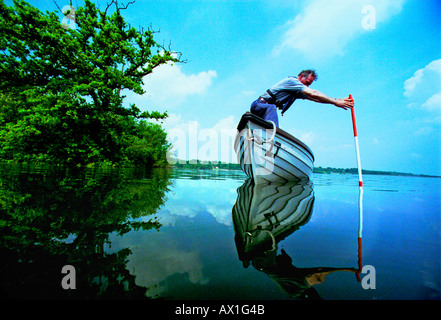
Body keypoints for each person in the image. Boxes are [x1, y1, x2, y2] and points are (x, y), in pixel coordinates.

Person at [250, 70, 354, 127]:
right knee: (271, 108)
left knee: (271, 109)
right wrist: (336, 102)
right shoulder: (292, 82)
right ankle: (272, 137)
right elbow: (314, 93)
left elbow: (315, 98)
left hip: (265, 111)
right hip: (259, 105)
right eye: (307, 83)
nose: (307, 86)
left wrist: (335, 101)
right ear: (302, 76)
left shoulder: (296, 91)